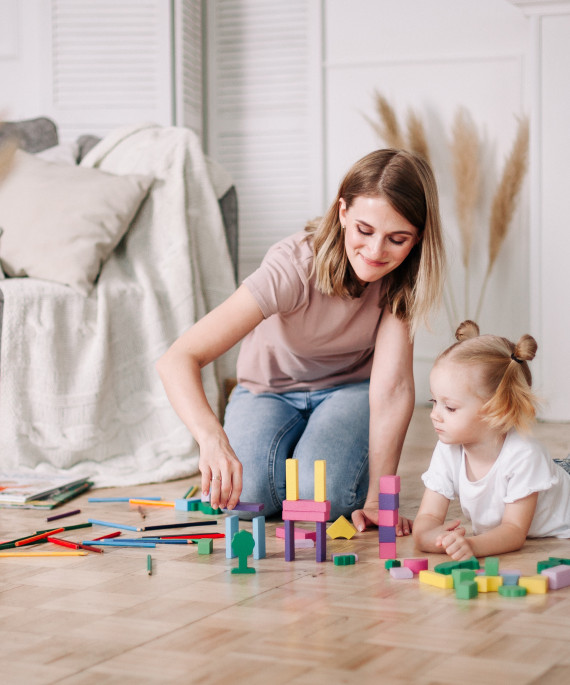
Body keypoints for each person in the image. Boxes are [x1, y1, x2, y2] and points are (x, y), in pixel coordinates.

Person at [156, 148, 445, 533]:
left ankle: (305, 465)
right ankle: (294, 460)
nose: (376, 252)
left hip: (349, 391)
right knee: (245, 500)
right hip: (268, 391)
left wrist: (379, 499)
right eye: (364, 230)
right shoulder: (292, 266)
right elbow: (178, 358)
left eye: (397, 238)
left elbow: (392, 389)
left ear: (418, 237)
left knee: (321, 501)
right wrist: (211, 440)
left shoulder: (403, 278)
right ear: (342, 212)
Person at [413, 320, 570, 560]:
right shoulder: (448, 448)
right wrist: (428, 537)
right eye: (434, 402)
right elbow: (429, 518)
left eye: (450, 407)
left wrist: (473, 546)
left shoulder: (525, 455)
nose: (434, 415)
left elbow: (514, 531)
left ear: (497, 409)